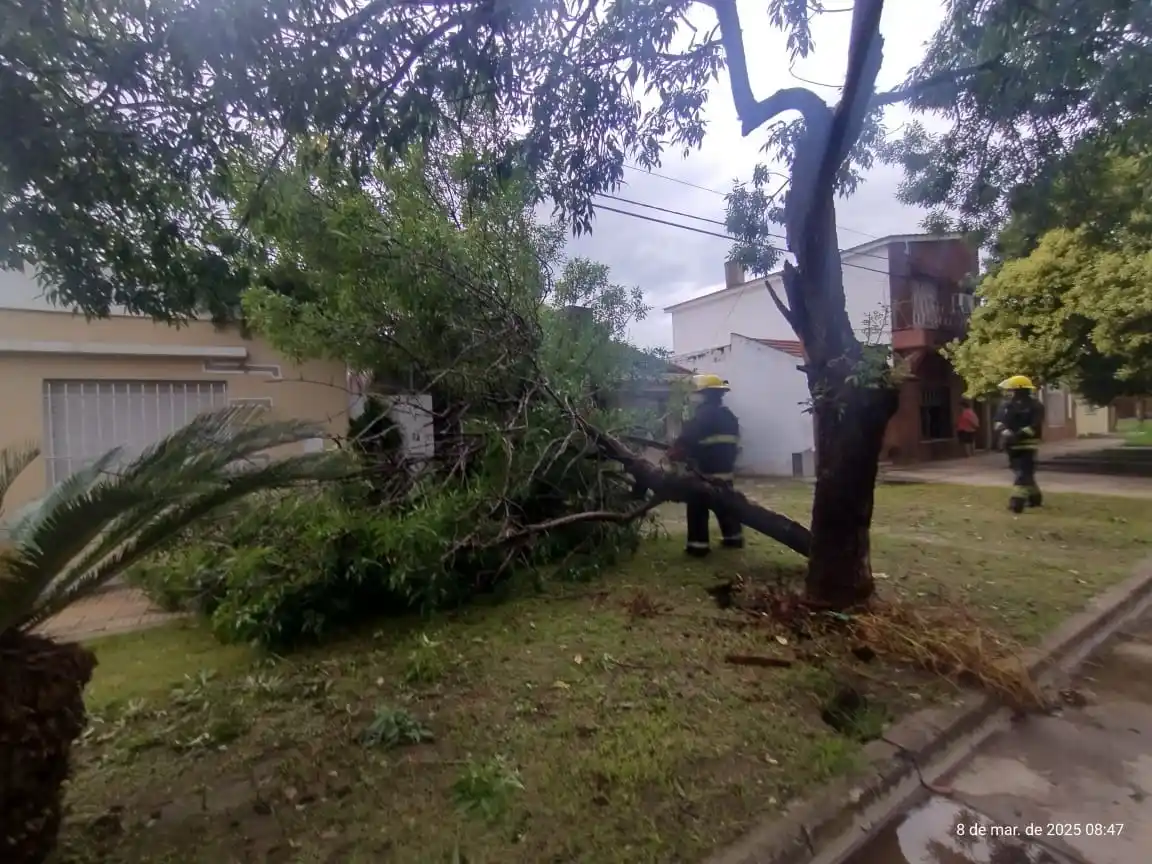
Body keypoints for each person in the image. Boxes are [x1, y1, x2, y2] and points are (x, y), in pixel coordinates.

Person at [668, 373, 743, 557]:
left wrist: (675, 453)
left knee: (697, 506)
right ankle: (734, 538)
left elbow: (686, 442)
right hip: (726, 474)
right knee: (726, 505)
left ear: (704, 395)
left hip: (704, 474)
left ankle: (697, 547)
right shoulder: (730, 417)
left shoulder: (700, 417)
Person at [992, 375, 1045, 513]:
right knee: (1022, 472)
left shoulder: (1036, 406)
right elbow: (998, 421)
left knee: (1022, 473)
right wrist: (1004, 431)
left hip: (1027, 445)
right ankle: (1035, 498)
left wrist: (1017, 434)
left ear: (1020, 390)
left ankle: (1016, 502)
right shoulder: (1006, 405)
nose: (1009, 392)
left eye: (1011, 390)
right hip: (1010, 445)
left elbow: (1035, 426)